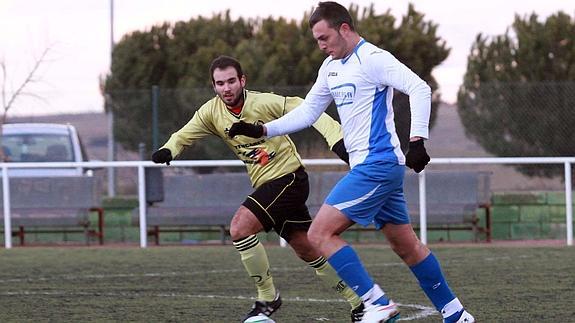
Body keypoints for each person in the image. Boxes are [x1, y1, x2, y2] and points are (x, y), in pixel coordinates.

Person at [227, 2, 475, 323]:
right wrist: (263, 129)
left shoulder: (373, 59)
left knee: (319, 234)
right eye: (316, 39)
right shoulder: (330, 67)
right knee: (407, 248)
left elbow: (419, 88)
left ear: (344, 28)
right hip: (368, 168)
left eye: (324, 37)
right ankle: (456, 313)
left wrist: (417, 140)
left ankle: (376, 303)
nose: (321, 45)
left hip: (379, 163)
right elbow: (308, 112)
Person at [151, 55, 363, 322]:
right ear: (214, 86)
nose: (226, 88)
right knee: (307, 247)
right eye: (219, 83)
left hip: (289, 179)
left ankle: (267, 297)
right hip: (269, 186)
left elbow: (304, 106)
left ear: (242, 80)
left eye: (231, 81)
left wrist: (337, 139)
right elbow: (184, 134)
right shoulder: (210, 112)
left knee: (240, 227)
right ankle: (359, 302)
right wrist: (169, 149)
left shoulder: (262, 102)